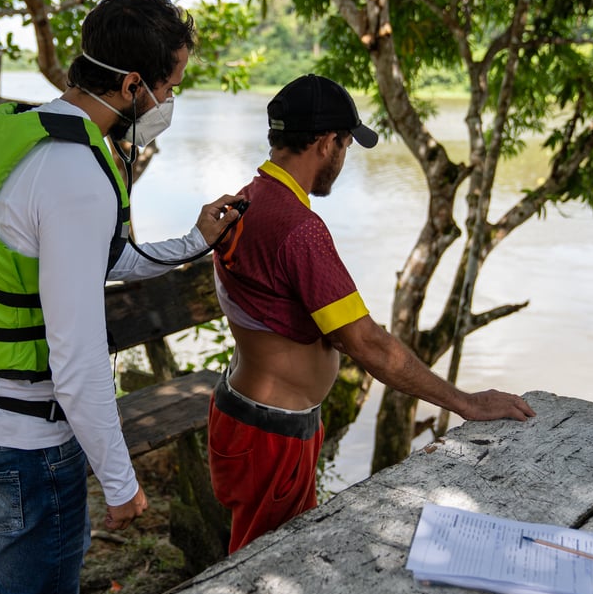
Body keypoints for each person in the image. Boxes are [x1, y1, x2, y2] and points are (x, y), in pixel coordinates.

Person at [0, 0, 244, 594]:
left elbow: (93, 259)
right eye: (171, 82)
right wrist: (120, 481)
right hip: (31, 434)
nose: (170, 100)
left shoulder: (14, 131)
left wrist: (194, 241)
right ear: (134, 83)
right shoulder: (76, 173)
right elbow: (76, 357)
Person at [209, 74, 536, 554]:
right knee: (262, 572)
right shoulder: (298, 229)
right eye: (345, 145)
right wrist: (465, 402)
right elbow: (368, 344)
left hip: (246, 415)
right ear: (325, 143)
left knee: (256, 558)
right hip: (271, 436)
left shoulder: (249, 197)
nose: (343, 160)